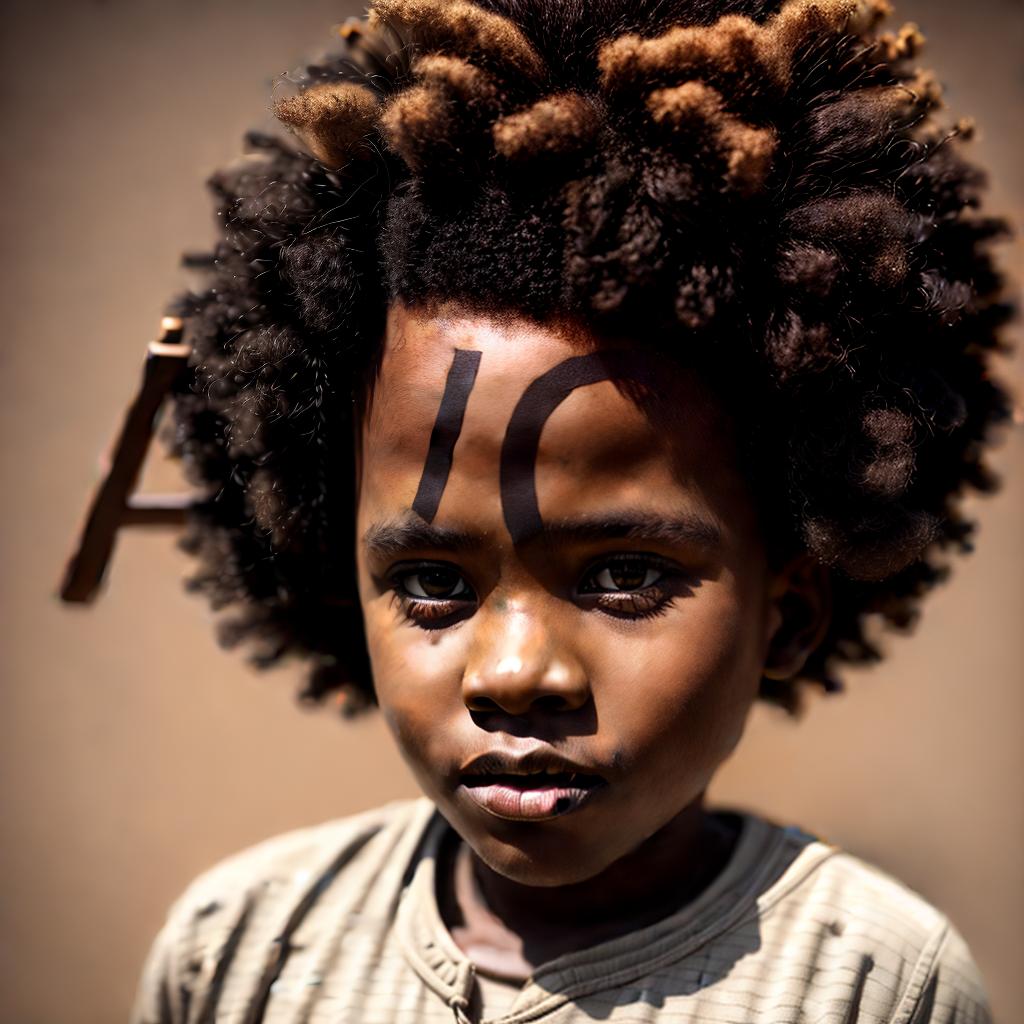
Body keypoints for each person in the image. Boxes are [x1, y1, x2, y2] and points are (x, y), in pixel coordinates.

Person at [127, 0, 1011, 1020]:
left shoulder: (878, 984)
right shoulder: (237, 955)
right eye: (429, 582)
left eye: (625, 573)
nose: (513, 674)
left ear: (791, 610)